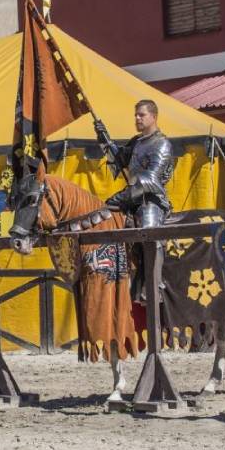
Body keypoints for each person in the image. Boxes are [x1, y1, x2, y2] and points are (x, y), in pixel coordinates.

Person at [93, 99, 174, 301]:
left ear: (153, 117)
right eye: (136, 115)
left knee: (149, 232)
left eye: (141, 115)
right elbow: (118, 162)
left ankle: (153, 287)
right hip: (131, 198)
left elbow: (150, 179)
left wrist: (121, 197)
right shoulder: (136, 142)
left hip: (151, 200)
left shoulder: (162, 144)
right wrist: (104, 139)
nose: (137, 118)